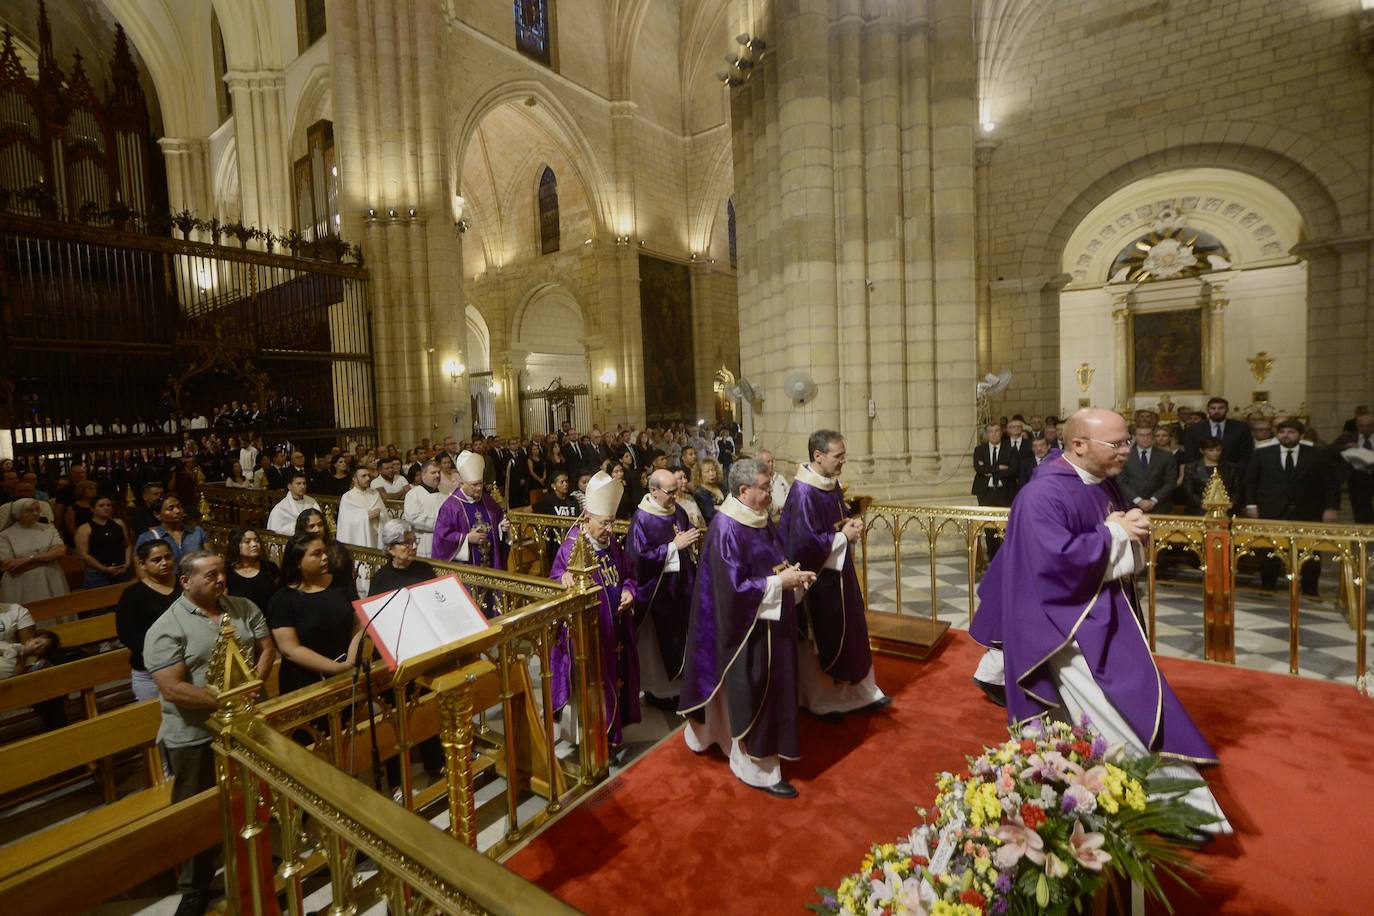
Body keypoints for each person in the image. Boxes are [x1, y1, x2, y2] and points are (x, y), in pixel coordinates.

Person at [968, 408, 1230, 834]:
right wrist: (1114, 534)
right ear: (1079, 445)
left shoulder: (1102, 481)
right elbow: (1053, 564)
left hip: (1100, 608)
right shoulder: (1042, 495)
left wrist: (1130, 526)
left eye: (1127, 441)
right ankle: (1171, 806)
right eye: (1118, 443)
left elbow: (1117, 528)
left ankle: (1106, 788)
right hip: (1065, 626)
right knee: (1114, 707)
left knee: (1119, 700)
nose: (1126, 450)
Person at [145, 551, 275, 916]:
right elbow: (172, 688)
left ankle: (256, 865)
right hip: (195, 733)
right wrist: (225, 702)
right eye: (211, 575)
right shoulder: (167, 626)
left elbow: (266, 648)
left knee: (251, 797)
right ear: (186, 582)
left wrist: (253, 685)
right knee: (199, 812)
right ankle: (195, 886)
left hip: (247, 723)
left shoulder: (242, 607)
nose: (221, 579)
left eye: (222, 572)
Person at [679, 458, 816, 798]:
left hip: (769, 621)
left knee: (772, 688)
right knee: (755, 692)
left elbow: (775, 560)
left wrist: (793, 575)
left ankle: (733, 744)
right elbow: (733, 591)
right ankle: (756, 769)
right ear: (743, 490)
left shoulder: (758, 516)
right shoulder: (726, 528)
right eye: (765, 488)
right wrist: (779, 583)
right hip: (745, 630)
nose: (771, 494)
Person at [780, 430, 889, 720]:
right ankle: (821, 700)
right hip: (817, 581)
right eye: (838, 456)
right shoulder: (804, 492)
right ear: (818, 456)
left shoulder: (830, 483)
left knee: (853, 627)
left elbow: (834, 522)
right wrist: (842, 537)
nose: (843, 461)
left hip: (840, 574)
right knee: (821, 637)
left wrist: (849, 526)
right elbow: (803, 544)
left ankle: (859, 692)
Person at [549, 471, 640, 759]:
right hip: (588, 635)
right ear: (587, 518)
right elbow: (555, 579)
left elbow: (628, 574)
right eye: (604, 523)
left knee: (615, 680)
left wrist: (629, 591)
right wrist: (563, 578)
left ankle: (611, 733)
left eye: (611, 522)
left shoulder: (610, 543)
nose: (610, 529)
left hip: (615, 629)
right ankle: (592, 740)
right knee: (593, 688)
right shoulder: (572, 545)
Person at [628, 469, 700, 707]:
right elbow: (638, 559)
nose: (674, 496)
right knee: (656, 648)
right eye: (670, 492)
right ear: (654, 491)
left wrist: (690, 539)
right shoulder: (642, 519)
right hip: (657, 593)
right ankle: (658, 692)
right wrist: (673, 547)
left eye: (675, 490)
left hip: (680, 588)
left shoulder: (677, 510)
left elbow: (684, 535)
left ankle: (680, 688)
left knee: (682, 638)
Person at [1244, 419, 1339, 595]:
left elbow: (1330, 483)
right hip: (1271, 509)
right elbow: (1251, 481)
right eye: (1282, 432)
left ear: (1301, 435)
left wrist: (1331, 507)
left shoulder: (1317, 453)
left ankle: (1310, 590)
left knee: (1310, 552)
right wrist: (1251, 504)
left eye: (1291, 432)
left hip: (1308, 510)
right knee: (1269, 550)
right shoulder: (1262, 453)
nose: (1286, 435)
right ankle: (1268, 587)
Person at [268, 533, 364, 696]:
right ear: (298, 562)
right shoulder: (283, 599)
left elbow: (358, 623)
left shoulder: (342, 583)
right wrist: (335, 668)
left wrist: (351, 659)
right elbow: (290, 649)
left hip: (347, 670)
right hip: (304, 682)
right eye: (316, 554)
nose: (325, 557)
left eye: (325, 552)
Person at [116, 540, 182, 701]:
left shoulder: (185, 584)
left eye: (168, 557)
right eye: (157, 560)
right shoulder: (132, 594)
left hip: (187, 662)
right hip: (150, 670)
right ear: (142, 564)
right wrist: (160, 654)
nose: (164, 562)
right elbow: (127, 635)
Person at [431, 451, 508, 573]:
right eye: (474, 484)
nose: (479, 488)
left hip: (491, 563)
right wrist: (466, 538)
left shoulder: (487, 500)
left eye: (480, 483)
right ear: (462, 483)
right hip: (466, 569)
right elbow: (441, 538)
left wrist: (501, 527)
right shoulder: (451, 507)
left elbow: (498, 518)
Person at [0, 498, 69, 603]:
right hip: (21, 583)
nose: (36, 513)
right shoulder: (5, 535)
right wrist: (49, 559)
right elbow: (10, 566)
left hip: (51, 578)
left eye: (37, 509)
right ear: (18, 513)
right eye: (30, 510)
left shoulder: (49, 529)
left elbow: (60, 552)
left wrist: (27, 559)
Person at [971, 422, 1018, 560]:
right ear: (987, 434)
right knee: (989, 525)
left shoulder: (1010, 449)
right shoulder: (979, 450)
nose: (994, 434)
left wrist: (989, 469)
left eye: (997, 431)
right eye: (990, 431)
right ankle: (992, 556)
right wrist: (999, 468)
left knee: (1005, 525)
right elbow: (978, 468)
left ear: (1001, 433)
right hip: (986, 492)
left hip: (1005, 491)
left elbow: (1013, 470)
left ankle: (1005, 556)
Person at [74, 494, 132, 588]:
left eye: (108, 505)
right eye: (101, 506)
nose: (106, 508)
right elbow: (83, 555)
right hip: (97, 573)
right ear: (92, 509)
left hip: (121, 569)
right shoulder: (84, 528)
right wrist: (104, 569)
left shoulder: (119, 523)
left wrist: (128, 562)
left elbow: (127, 545)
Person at [1118, 424, 1177, 513]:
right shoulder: (1124, 455)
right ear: (1134, 437)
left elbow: (1171, 482)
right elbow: (1120, 482)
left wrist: (1154, 500)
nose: (1145, 438)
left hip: (1160, 507)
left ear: (1153, 436)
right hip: (1131, 506)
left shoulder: (1166, 456)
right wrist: (1138, 500)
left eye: (1148, 435)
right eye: (1141, 435)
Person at [369, 518, 439, 594]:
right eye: (407, 543)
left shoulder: (425, 569)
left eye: (415, 540)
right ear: (390, 548)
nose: (414, 546)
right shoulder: (381, 579)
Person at [1183, 396, 1254, 467]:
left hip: (1234, 469)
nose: (1216, 411)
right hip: (1202, 470)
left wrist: (1236, 469)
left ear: (1227, 409)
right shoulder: (1195, 428)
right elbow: (1190, 452)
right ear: (1207, 410)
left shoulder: (1241, 427)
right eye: (1213, 408)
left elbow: (1247, 452)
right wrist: (1198, 469)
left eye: (1221, 408)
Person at [135, 496, 208, 562]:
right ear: (157, 515)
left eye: (179, 507)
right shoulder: (148, 538)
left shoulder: (197, 531)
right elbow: (140, 565)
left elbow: (209, 557)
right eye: (171, 509)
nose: (178, 511)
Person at [1181, 436, 1242, 516]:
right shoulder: (1192, 468)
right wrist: (1204, 504)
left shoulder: (1231, 468)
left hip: (1226, 511)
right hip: (1199, 511)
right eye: (1211, 450)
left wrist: (1229, 504)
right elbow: (1189, 491)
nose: (1215, 453)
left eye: (1218, 450)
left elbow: (1236, 490)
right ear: (1202, 451)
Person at [1332, 411, 1374, 524]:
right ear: (1357, 426)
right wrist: (1344, 447)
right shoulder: (1347, 438)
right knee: (1360, 508)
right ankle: (1364, 529)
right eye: (1362, 426)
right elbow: (1330, 450)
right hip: (1356, 477)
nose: (1365, 428)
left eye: (1369, 426)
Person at [225, 528, 280, 612]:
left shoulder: (270, 567)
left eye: (257, 541)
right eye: (247, 542)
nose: (254, 544)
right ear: (236, 545)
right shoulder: (227, 572)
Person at [402, 460, 446, 557]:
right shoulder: (413, 494)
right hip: (423, 541)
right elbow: (414, 519)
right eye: (433, 472)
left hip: (443, 540)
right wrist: (442, 523)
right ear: (423, 475)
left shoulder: (446, 494)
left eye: (439, 472)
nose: (437, 475)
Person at [336, 466, 386, 549]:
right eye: (363, 476)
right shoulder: (347, 497)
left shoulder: (375, 493)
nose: (368, 478)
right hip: (358, 539)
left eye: (368, 475)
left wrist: (380, 515)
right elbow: (346, 523)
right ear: (355, 479)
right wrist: (366, 516)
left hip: (375, 536)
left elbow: (385, 515)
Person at [268, 470, 321, 536]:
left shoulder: (312, 502)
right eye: (298, 483)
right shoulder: (280, 509)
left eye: (304, 483)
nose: (302, 486)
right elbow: (275, 533)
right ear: (289, 486)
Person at [692, 457, 726, 525]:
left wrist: (718, 507)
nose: (711, 473)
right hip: (714, 525)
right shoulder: (699, 492)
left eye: (713, 470)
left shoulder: (721, 486)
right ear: (700, 474)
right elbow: (709, 513)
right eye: (707, 471)